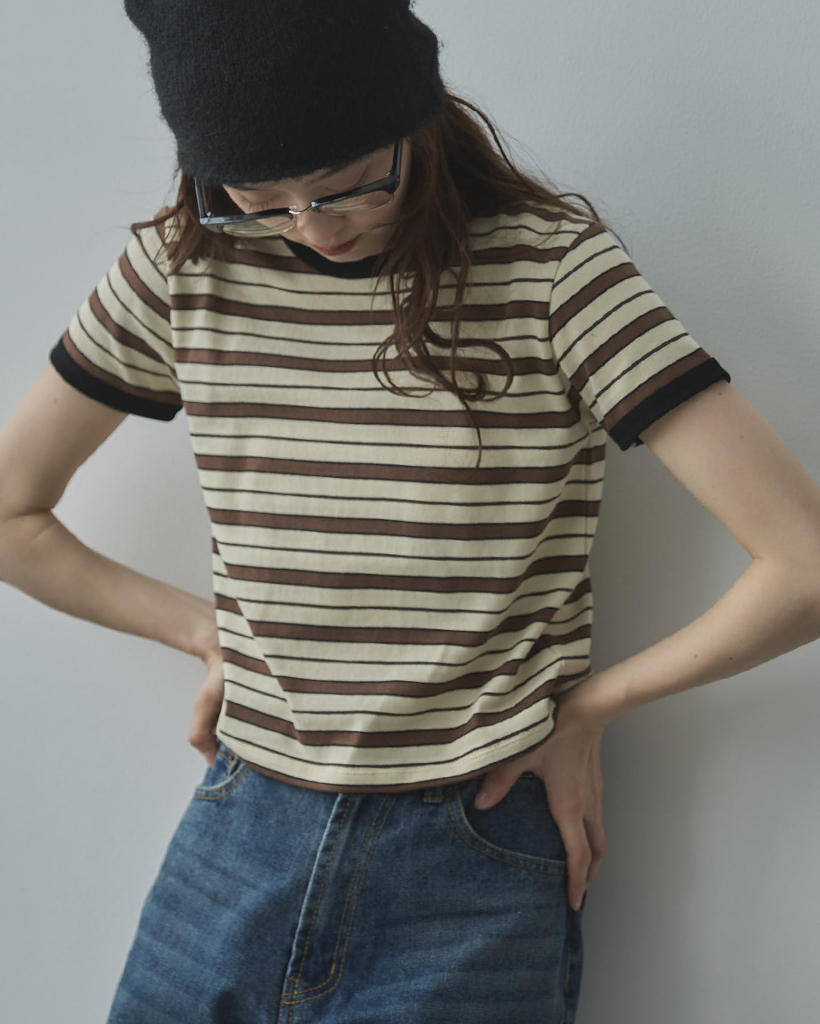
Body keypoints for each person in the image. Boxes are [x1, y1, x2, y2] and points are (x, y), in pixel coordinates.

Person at [1, 1, 819, 1021]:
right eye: (258, 197)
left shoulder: (551, 268)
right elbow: (12, 511)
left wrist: (589, 709)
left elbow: (802, 563)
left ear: (412, 113)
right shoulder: (184, 267)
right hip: (240, 825)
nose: (312, 226)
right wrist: (204, 633)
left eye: (348, 183)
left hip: (472, 847)